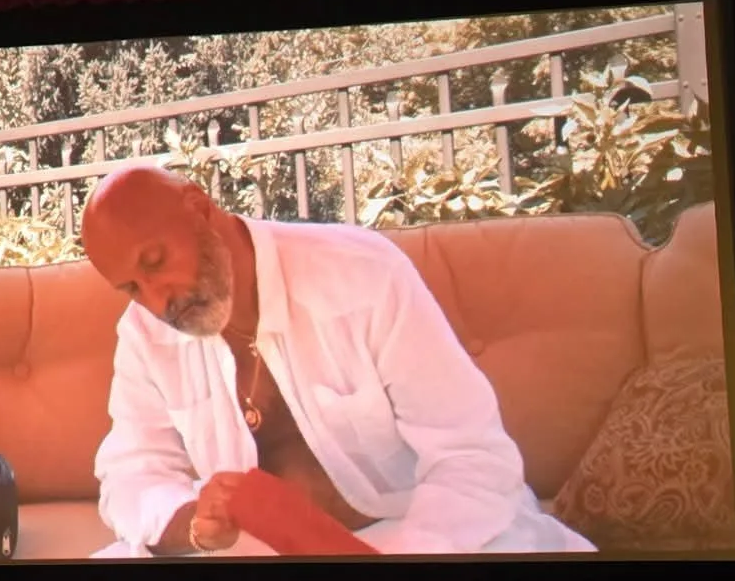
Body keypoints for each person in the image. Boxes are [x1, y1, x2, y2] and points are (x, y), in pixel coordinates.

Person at [80, 165, 594, 558]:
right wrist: (195, 523)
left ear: (198, 207)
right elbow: (131, 472)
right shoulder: (145, 332)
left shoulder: (363, 273)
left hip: (423, 538)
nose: (157, 300)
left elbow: (471, 459)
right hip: (258, 559)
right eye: (131, 287)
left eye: (156, 262)